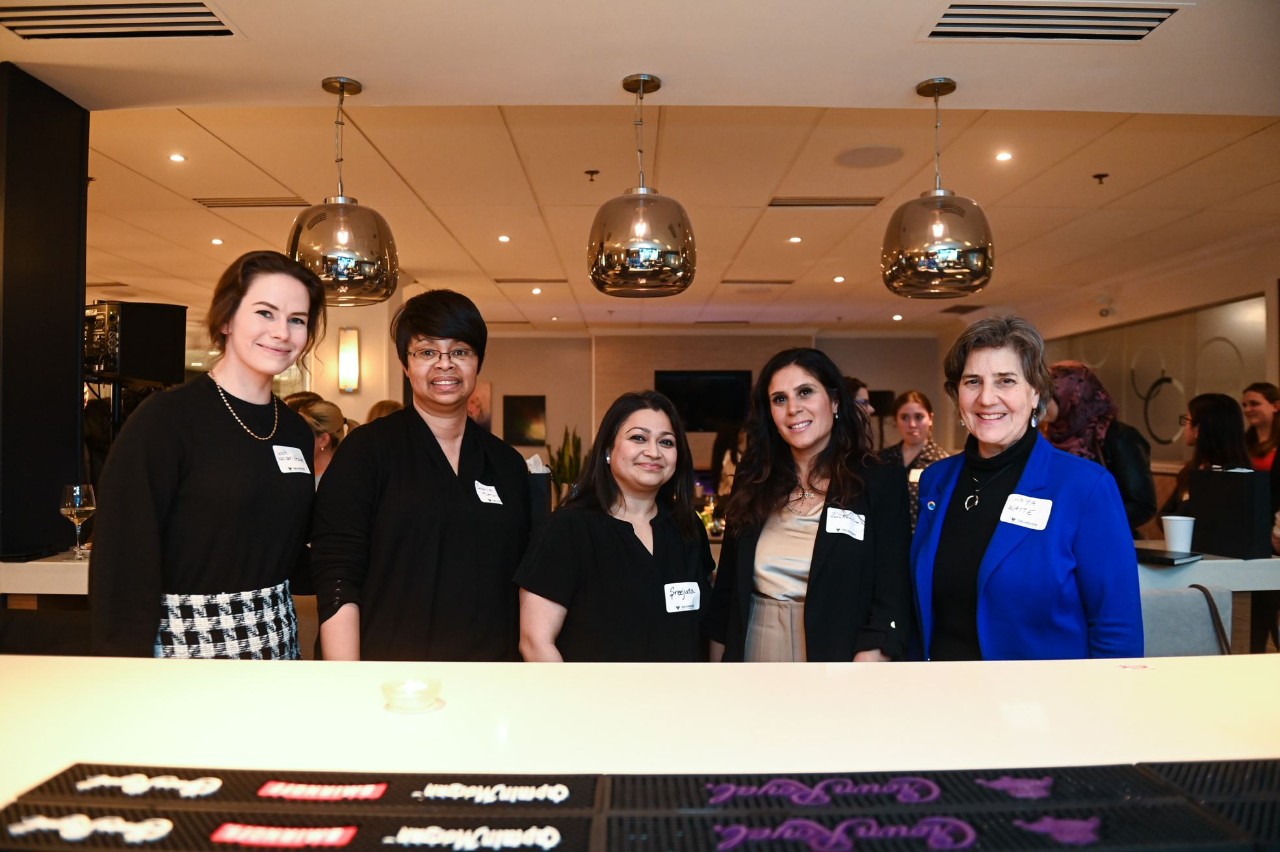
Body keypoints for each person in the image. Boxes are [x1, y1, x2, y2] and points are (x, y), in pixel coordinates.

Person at [89, 250, 326, 658]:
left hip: (276, 638)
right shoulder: (166, 419)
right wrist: (123, 667)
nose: (282, 333)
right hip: (186, 642)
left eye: (297, 320)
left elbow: (290, 547)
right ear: (226, 319)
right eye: (265, 313)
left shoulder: (294, 429)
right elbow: (123, 556)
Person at [310, 290, 531, 661]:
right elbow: (337, 573)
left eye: (460, 351)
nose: (445, 365)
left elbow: (524, 575)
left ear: (477, 361)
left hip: (490, 671)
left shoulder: (506, 463)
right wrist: (346, 679)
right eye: (427, 352)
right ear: (405, 364)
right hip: (389, 669)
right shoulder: (367, 451)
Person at [912, 316, 1143, 661]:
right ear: (956, 394)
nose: (986, 398)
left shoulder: (1085, 487)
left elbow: (1117, 626)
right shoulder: (937, 480)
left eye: (1005, 381)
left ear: (1035, 392)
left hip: (1044, 691)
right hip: (941, 686)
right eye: (973, 381)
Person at [706, 348, 912, 662]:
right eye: (779, 399)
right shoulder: (753, 479)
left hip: (842, 656)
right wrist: (716, 671)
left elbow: (893, 592)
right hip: (755, 650)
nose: (793, 409)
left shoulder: (879, 481)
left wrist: (867, 663)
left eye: (805, 392)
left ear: (835, 401)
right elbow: (727, 592)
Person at [515, 391, 714, 662]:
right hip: (594, 690)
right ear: (608, 450)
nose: (653, 452)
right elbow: (535, 642)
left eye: (666, 442)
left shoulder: (688, 527)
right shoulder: (568, 528)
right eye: (638, 438)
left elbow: (703, 628)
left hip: (679, 689)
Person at [1046, 361, 1157, 537]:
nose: (1038, 403)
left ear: (1072, 395)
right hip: (1055, 539)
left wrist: (1086, 523)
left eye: (1047, 396)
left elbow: (1142, 504)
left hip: (1104, 538)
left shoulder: (1117, 436)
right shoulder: (1047, 435)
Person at [1160, 393, 1252, 516]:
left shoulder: (1232, 476)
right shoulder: (1192, 468)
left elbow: (1188, 515)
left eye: (1187, 420)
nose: (1184, 427)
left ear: (1198, 429)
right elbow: (1164, 513)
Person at [879, 390, 949, 531]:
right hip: (885, 536)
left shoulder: (941, 462)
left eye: (919, 417)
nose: (912, 424)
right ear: (895, 420)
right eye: (904, 417)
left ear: (930, 419)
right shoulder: (882, 458)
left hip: (921, 538)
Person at [296, 398, 347, 486]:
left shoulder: (339, 479)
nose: (295, 439)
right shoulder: (301, 470)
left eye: (301, 434)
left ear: (324, 440)